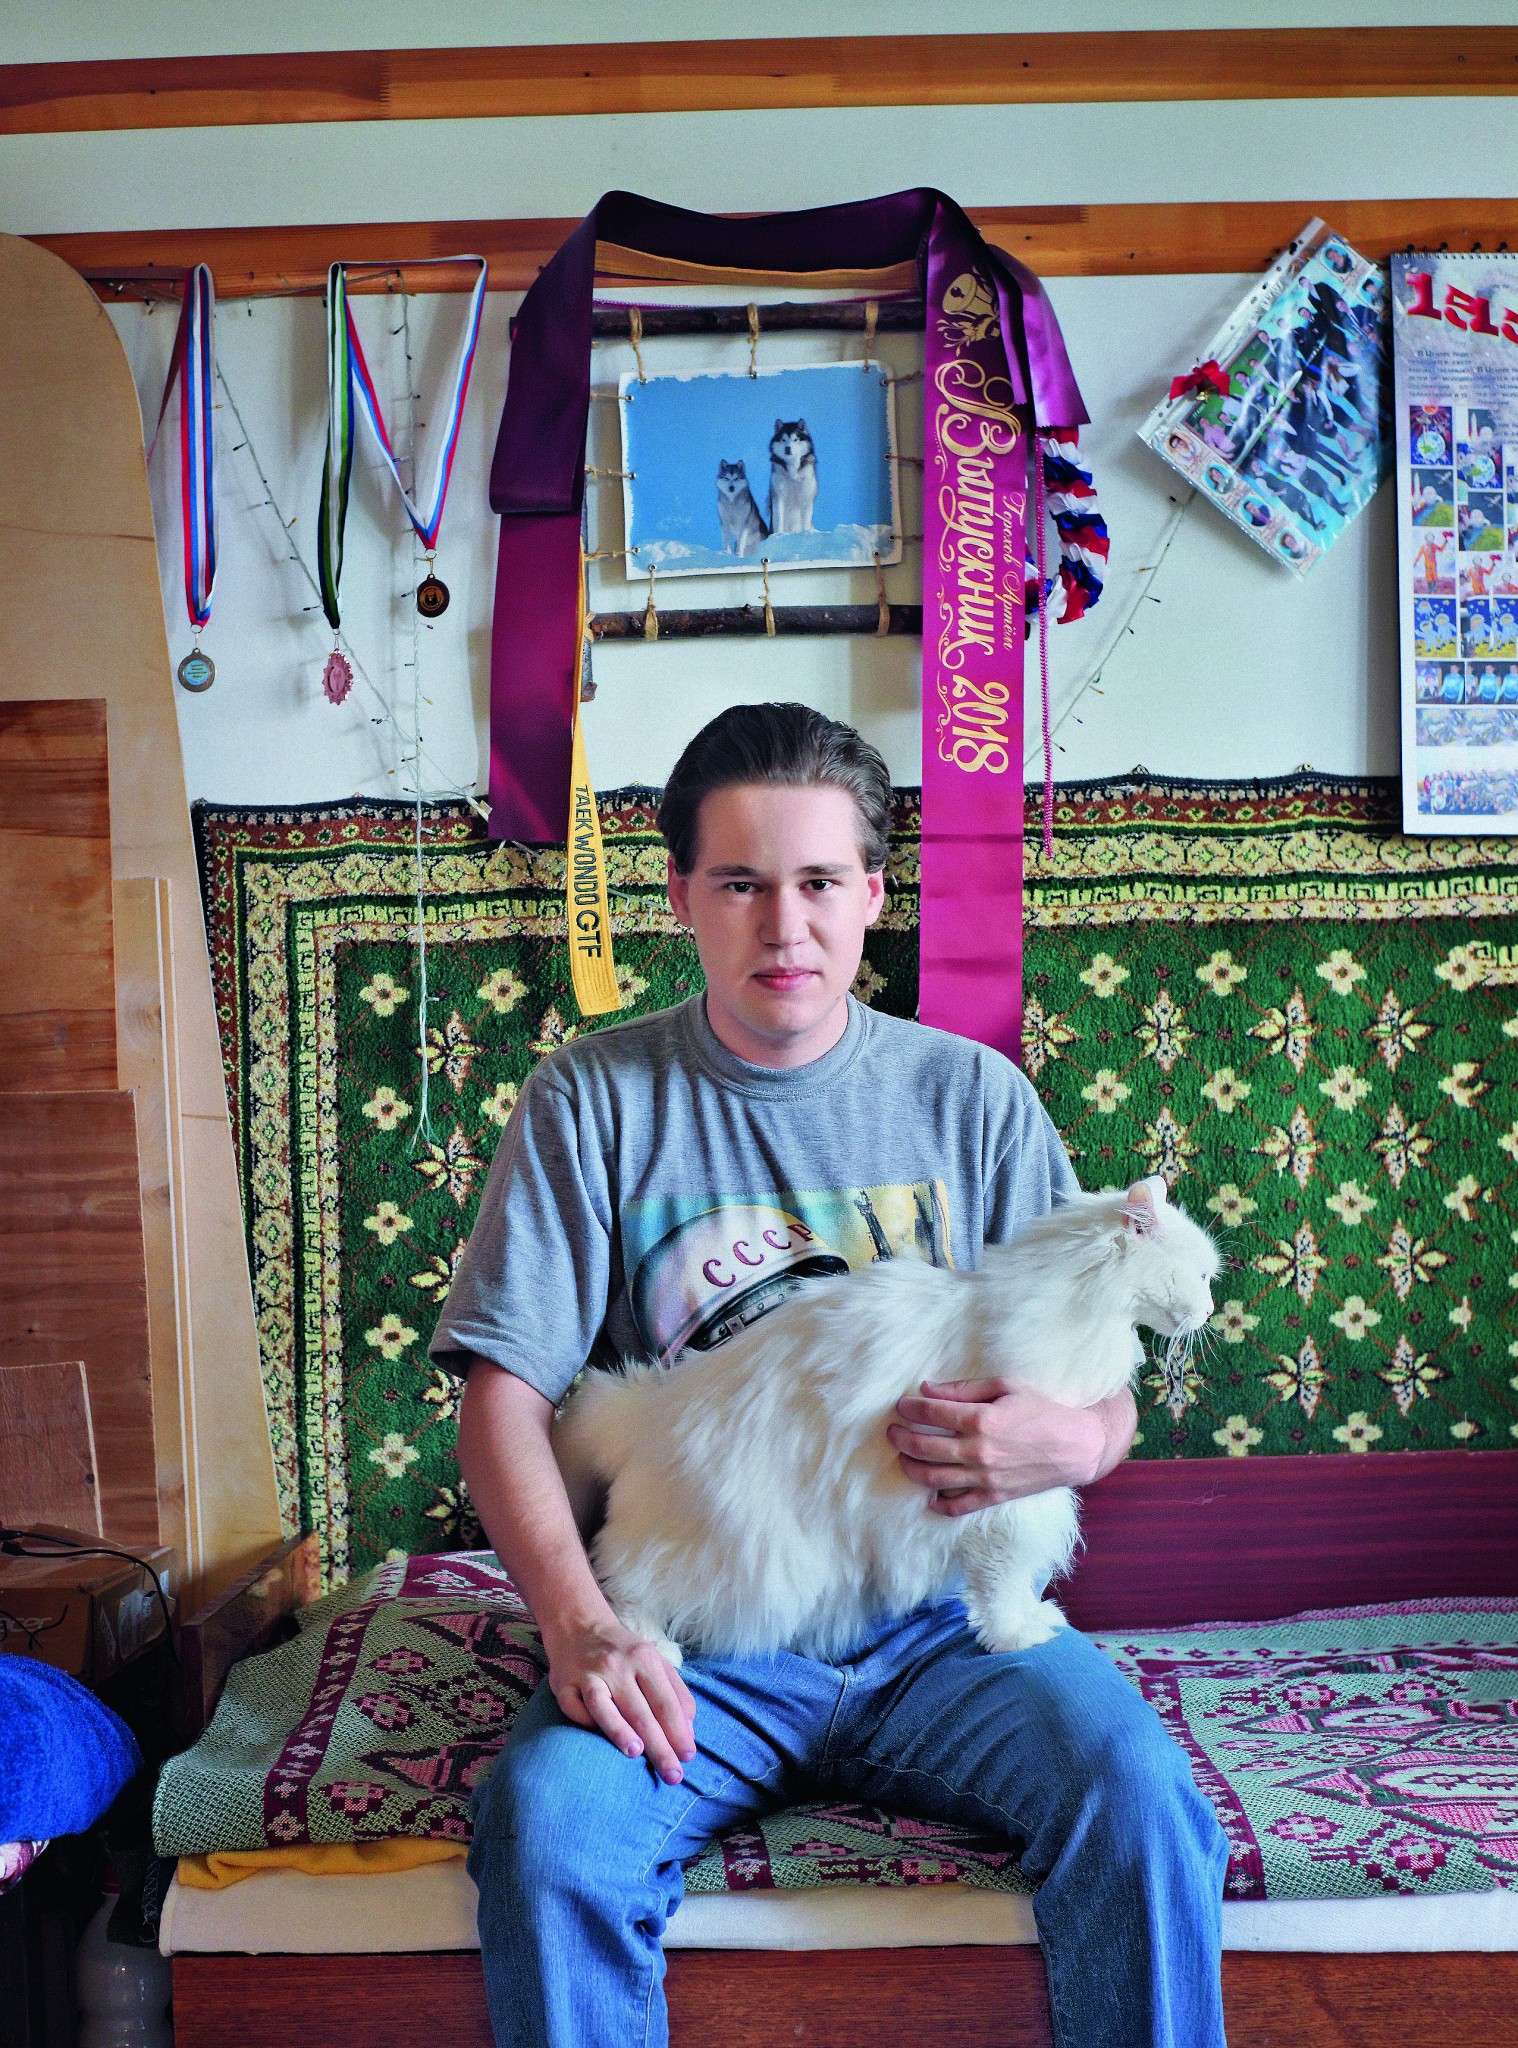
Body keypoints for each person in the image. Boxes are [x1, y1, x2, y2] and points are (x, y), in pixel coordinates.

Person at [431, 702, 1229, 2048]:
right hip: (707, 1633)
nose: (782, 927)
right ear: (679, 897)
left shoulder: (974, 1100)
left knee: (1144, 1802)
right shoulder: (592, 1100)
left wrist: (1080, 1442)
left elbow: (1101, 1390)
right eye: (739, 884)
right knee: (548, 1826)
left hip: (942, 1632)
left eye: (816, 882)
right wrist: (578, 1623)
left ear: (872, 894)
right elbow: (501, 1397)